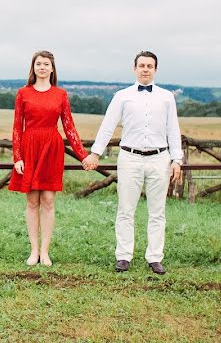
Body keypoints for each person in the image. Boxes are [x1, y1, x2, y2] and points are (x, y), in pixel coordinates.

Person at [82, 51, 183, 275]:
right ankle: (123, 256)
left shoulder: (167, 97)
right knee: (126, 209)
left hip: (159, 158)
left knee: (157, 211)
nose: (145, 69)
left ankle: (155, 258)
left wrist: (177, 159)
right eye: (142, 65)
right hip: (130, 158)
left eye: (150, 66)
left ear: (155, 69)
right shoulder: (122, 96)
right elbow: (108, 125)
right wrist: (95, 153)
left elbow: (173, 129)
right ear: (134, 68)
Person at [9, 50, 91, 266]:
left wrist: (83, 155)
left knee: (48, 200)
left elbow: (69, 127)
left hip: (52, 148)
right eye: (38, 64)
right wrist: (17, 157)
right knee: (31, 200)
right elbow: (17, 127)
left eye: (46, 64)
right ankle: (33, 251)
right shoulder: (23, 93)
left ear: (52, 69)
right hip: (29, 148)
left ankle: (45, 252)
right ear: (33, 68)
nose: (42, 67)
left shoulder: (60, 94)